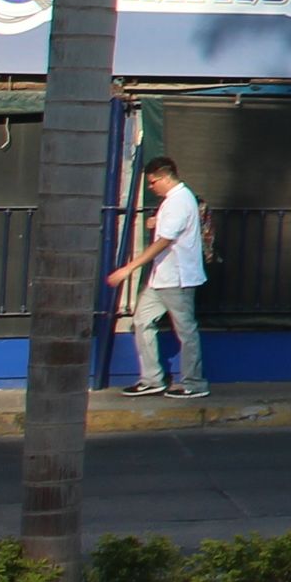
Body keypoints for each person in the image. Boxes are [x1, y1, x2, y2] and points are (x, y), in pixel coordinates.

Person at [107, 155, 207, 399]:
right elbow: (170, 228)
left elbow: (165, 240)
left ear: (164, 178)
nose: (151, 187)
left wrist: (129, 268)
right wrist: (156, 221)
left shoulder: (179, 201)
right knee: (142, 321)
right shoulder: (172, 201)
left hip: (178, 277)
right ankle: (152, 379)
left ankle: (194, 383)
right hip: (162, 277)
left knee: (186, 331)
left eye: (152, 182)